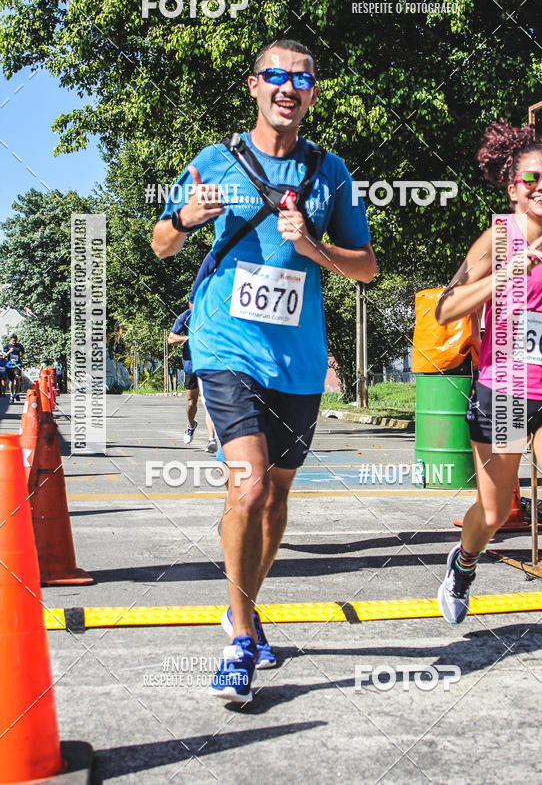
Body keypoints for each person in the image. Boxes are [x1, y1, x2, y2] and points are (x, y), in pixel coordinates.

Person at [151, 38, 376, 702]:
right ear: (253, 85)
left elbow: (365, 268)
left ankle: (242, 605)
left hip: (298, 362)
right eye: (275, 75)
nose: (288, 87)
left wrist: (312, 245)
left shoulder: (331, 173)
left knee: (276, 497)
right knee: (247, 487)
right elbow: (161, 243)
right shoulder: (213, 162)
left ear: (311, 92)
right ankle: (241, 639)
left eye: (301, 78)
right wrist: (186, 219)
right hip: (227, 347)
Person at [436, 119, 542, 680]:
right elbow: (445, 310)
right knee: (490, 512)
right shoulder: (497, 238)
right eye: (533, 177)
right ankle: (463, 564)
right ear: (513, 187)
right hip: (502, 397)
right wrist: (505, 274)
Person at [168, 308, 218, 452]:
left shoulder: (214, 312)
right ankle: (191, 426)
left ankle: (211, 439)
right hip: (191, 365)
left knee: (208, 401)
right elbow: (171, 338)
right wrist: (189, 338)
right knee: (192, 402)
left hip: (209, 364)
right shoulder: (187, 315)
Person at [4, 335, 24, 403]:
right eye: (13, 340)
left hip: (17, 364)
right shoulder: (7, 346)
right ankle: (12, 395)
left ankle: (17, 393)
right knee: (11, 380)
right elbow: (4, 355)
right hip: (10, 365)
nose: (14, 342)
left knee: (17, 377)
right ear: (10, 340)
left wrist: (20, 353)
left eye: (15, 340)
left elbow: (22, 353)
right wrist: (9, 351)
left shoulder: (19, 345)